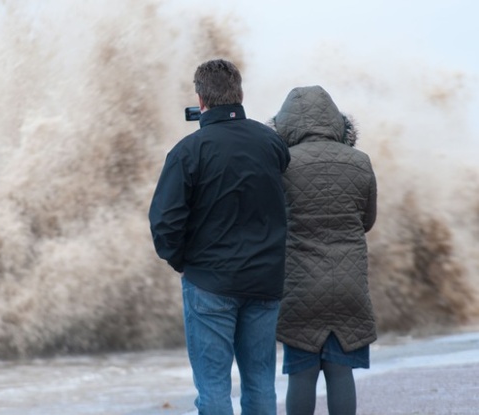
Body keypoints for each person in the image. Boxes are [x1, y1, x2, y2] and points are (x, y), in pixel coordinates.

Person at [148, 59, 290, 415]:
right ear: (239, 94)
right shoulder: (271, 143)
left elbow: (165, 222)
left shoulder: (189, 150)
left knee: (213, 387)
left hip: (210, 282)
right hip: (264, 280)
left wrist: (184, 262)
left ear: (200, 99)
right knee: (260, 382)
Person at [269, 85, 378, 415]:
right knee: (340, 371)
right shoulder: (360, 162)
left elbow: (275, 222)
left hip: (300, 287)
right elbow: (367, 221)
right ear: (335, 121)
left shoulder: (282, 165)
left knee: (301, 374)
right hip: (348, 285)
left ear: (285, 124)